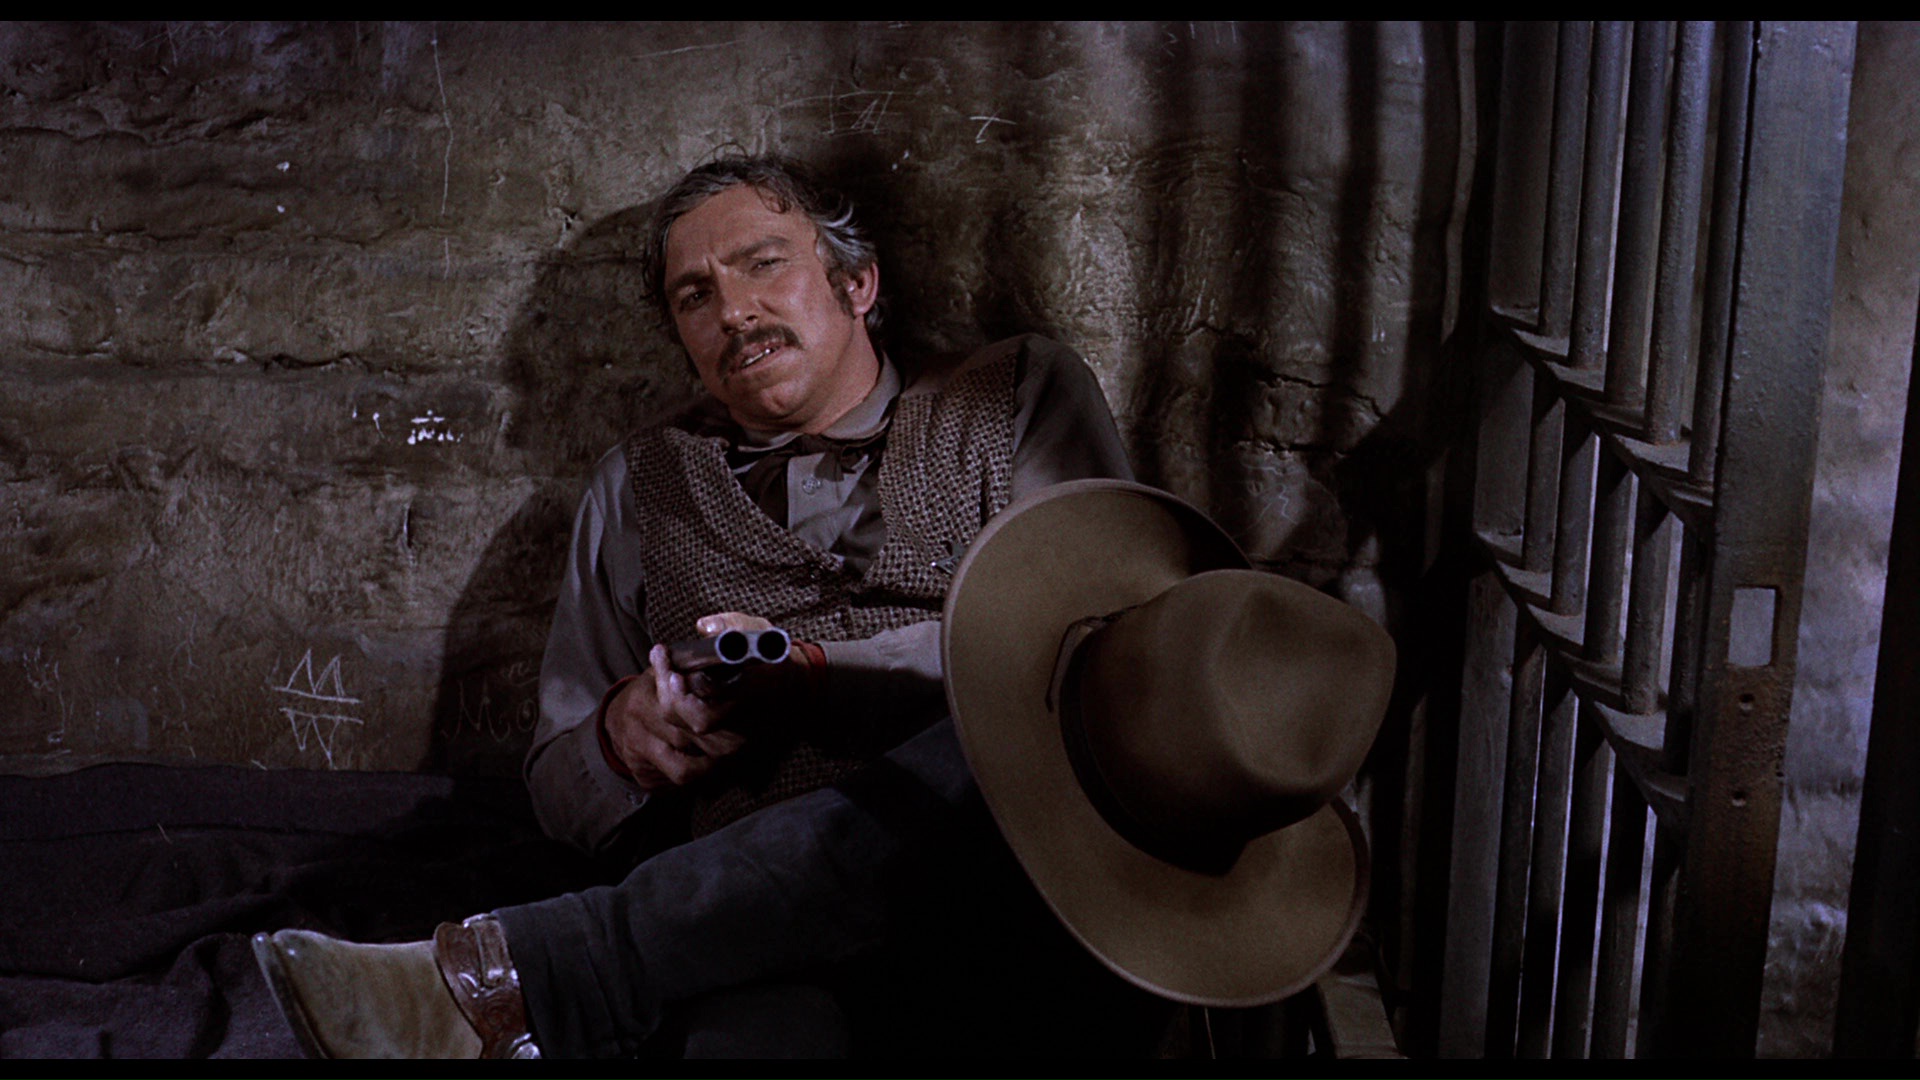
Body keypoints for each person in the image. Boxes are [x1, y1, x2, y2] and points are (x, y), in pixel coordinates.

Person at [253, 154, 1166, 1058]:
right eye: (695, 296)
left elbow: (1089, 660)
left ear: (857, 284)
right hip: (751, 939)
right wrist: (622, 740)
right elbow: (558, 777)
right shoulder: (634, 487)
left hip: (1013, 884)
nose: (733, 311)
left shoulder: (1012, 396)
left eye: (764, 264)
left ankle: (525, 977)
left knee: (1014, 726)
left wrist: (820, 674)